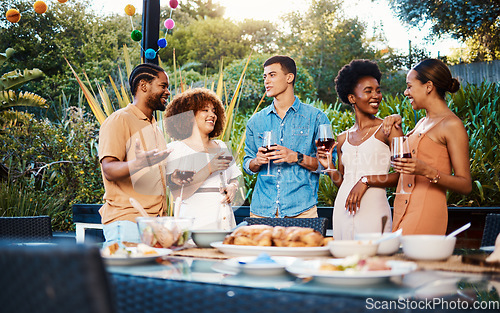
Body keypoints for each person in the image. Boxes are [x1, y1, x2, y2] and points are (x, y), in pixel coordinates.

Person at [383, 58, 472, 235]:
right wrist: (394, 125)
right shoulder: (422, 122)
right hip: (402, 209)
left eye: (409, 86)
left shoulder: (451, 125)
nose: (405, 92)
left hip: (426, 211)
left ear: (428, 86)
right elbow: (405, 164)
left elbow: (466, 185)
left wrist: (427, 171)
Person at [317, 59, 403, 239]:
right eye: (368, 91)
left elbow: (403, 176)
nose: (376, 95)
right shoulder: (342, 139)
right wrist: (329, 168)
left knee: (374, 262)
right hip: (343, 210)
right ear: (352, 98)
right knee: (344, 263)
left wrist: (366, 180)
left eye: (378, 91)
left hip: (374, 210)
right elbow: (343, 181)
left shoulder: (389, 129)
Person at [243, 55, 330, 218]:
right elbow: (247, 164)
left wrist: (296, 157)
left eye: (272, 75)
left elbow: (327, 166)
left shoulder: (316, 118)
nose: (266, 81)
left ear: (289, 77)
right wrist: (256, 161)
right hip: (261, 211)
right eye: (265, 76)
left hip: (302, 212)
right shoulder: (255, 121)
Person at [99, 63, 172, 245]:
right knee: (125, 274)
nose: (167, 92)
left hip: (155, 225)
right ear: (143, 85)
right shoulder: (119, 119)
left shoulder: (155, 127)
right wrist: (138, 164)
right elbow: (108, 169)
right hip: (128, 223)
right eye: (163, 86)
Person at [164, 88, 242, 230]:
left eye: (214, 111)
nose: (212, 114)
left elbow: (234, 177)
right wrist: (209, 168)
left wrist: (233, 187)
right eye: (205, 110)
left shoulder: (221, 146)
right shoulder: (176, 149)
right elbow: (178, 194)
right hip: (194, 227)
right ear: (189, 115)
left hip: (225, 223)